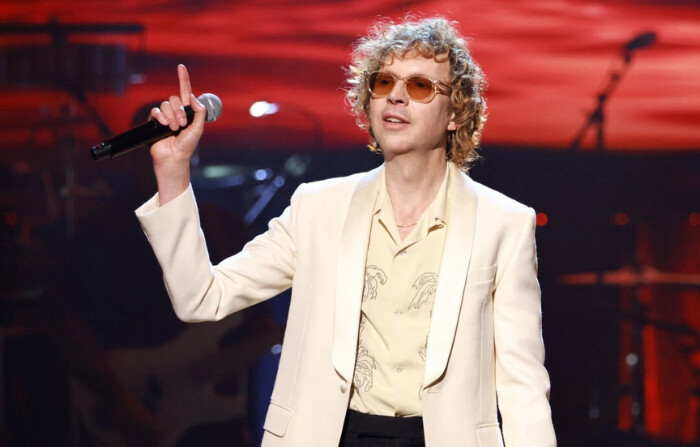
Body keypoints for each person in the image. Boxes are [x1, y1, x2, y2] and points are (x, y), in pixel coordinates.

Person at [135, 16, 556, 447]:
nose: (395, 96)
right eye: (383, 82)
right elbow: (202, 297)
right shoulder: (318, 208)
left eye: (419, 87)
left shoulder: (504, 223)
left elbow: (523, 387)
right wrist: (172, 172)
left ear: (455, 113)